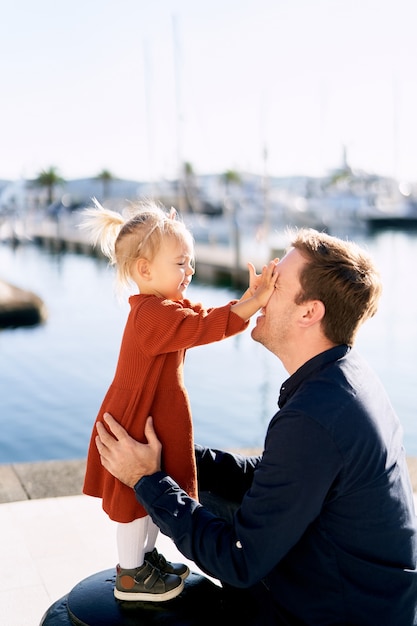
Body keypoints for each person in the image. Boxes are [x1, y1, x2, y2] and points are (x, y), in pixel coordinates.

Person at [95, 227, 417, 625]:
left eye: (275, 282)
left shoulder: (316, 417)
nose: (261, 287)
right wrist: (178, 458)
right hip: (354, 586)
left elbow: (240, 560)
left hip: (334, 612)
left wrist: (147, 480)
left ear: (308, 312)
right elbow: (273, 475)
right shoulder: (341, 376)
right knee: (199, 486)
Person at [82, 199, 278, 602]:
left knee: (154, 494)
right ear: (144, 270)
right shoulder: (151, 315)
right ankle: (131, 576)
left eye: (189, 262)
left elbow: (199, 318)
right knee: (137, 503)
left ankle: (147, 559)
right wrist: (253, 304)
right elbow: (202, 326)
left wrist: (244, 301)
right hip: (135, 423)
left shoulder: (162, 308)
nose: (190, 271)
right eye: (181, 263)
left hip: (149, 416)